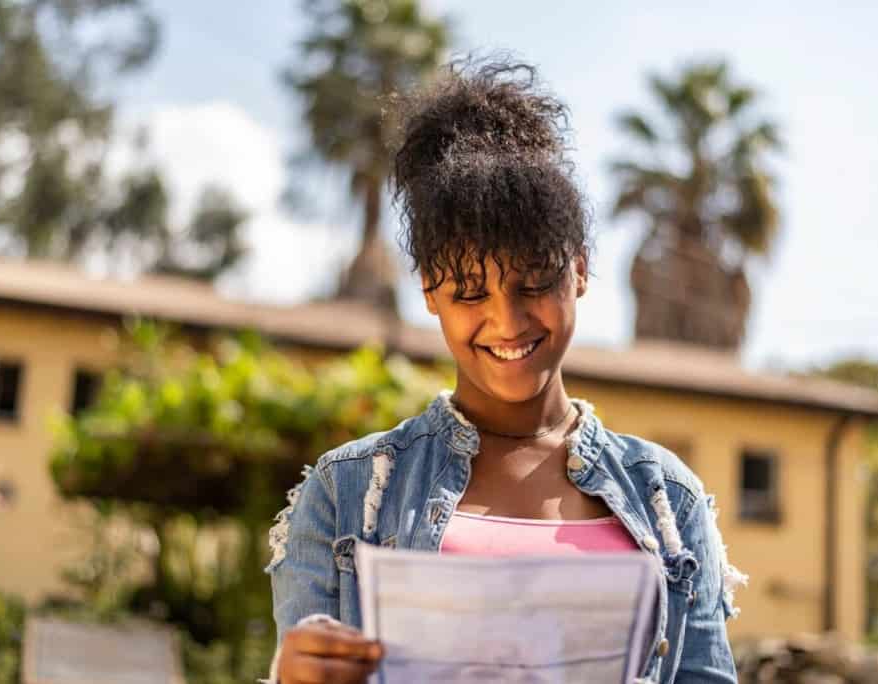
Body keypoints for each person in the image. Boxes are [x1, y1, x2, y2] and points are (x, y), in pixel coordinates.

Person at [265, 58, 745, 684]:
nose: (507, 321)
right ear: (430, 293)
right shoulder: (348, 493)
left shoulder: (666, 500)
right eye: (469, 294)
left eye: (535, 283)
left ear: (579, 269)